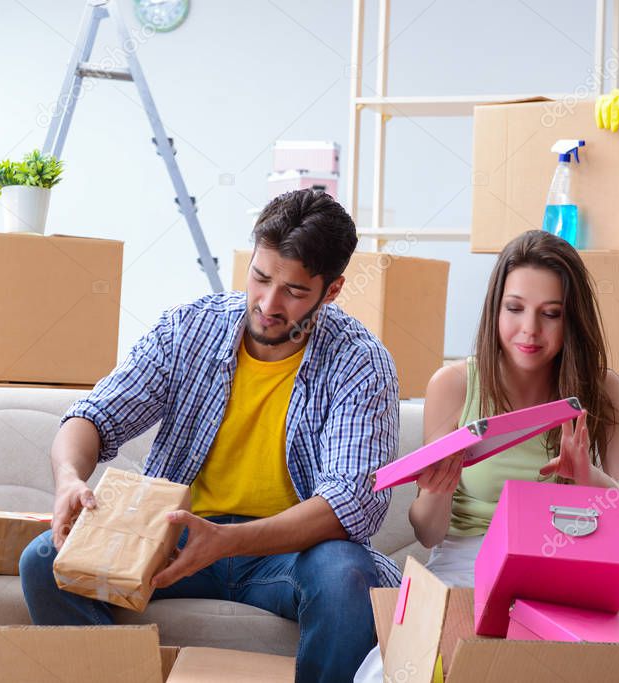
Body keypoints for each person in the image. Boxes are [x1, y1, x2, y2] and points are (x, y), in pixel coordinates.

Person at [20, 189, 400, 683]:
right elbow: (93, 416)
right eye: (260, 278)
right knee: (45, 559)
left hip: (287, 554)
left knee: (346, 576)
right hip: (176, 538)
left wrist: (229, 541)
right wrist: (69, 478)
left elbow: (352, 503)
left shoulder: (361, 363)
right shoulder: (189, 329)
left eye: (294, 291)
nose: (268, 303)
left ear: (331, 291)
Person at [355, 230, 619, 681]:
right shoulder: (453, 385)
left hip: (571, 570)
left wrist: (591, 479)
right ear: (495, 309)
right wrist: (437, 491)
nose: (530, 329)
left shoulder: (603, 389)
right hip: (471, 565)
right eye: (515, 309)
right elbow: (429, 533)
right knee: (389, 669)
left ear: (572, 321)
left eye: (551, 314)